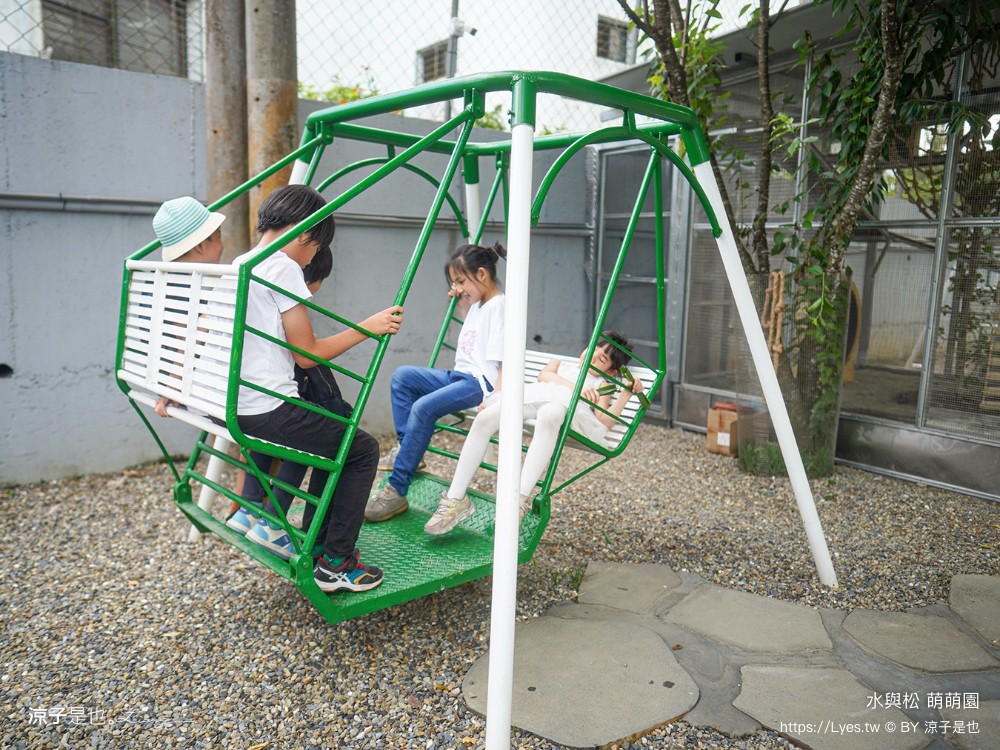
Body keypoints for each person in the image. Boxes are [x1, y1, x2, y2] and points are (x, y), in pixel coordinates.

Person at [230, 184, 403, 594]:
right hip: (269, 408)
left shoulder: (243, 261)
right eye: (316, 245)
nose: (312, 257)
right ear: (306, 233)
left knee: (334, 436)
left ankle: (318, 541)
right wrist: (369, 327)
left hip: (239, 405)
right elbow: (306, 354)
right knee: (360, 450)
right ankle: (337, 563)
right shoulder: (283, 266)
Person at [424, 332, 645, 536]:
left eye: (602, 360)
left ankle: (517, 502)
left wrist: (625, 393)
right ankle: (455, 498)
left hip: (565, 410)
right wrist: (576, 386)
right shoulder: (561, 365)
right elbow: (544, 376)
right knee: (484, 419)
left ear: (611, 372)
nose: (593, 356)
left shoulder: (601, 384)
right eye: (594, 348)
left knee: (550, 413)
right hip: (533, 398)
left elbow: (603, 422)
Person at [365, 242, 506, 522]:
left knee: (422, 408)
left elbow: (505, 361)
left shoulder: (500, 306)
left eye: (460, 281)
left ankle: (396, 489)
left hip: (479, 384)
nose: (457, 287)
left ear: (482, 274)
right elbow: (473, 335)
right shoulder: (480, 303)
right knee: (402, 376)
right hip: (460, 376)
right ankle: (411, 454)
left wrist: (496, 398)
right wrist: (464, 300)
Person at [149, 196, 227, 417]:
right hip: (221, 395)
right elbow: (192, 340)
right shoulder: (214, 288)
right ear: (202, 246)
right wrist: (172, 385)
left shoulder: (172, 289)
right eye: (219, 237)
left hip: (198, 391)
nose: (223, 245)